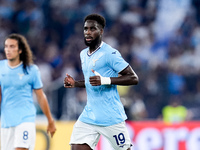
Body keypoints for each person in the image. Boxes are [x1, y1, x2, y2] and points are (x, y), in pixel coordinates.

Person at [64, 14, 139, 150]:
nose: (88, 32)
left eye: (93, 29)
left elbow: (133, 78)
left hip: (110, 116)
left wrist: (104, 80)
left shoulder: (110, 54)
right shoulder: (83, 54)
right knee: (76, 148)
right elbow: (90, 81)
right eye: (86, 28)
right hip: (89, 115)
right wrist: (76, 83)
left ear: (101, 31)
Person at [0, 33, 56, 150]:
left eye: (12, 46)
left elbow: (40, 96)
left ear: (20, 50)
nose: (8, 50)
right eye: (6, 46)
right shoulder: (1, 68)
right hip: (6, 122)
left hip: (25, 119)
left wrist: (50, 120)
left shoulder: (31, 70)